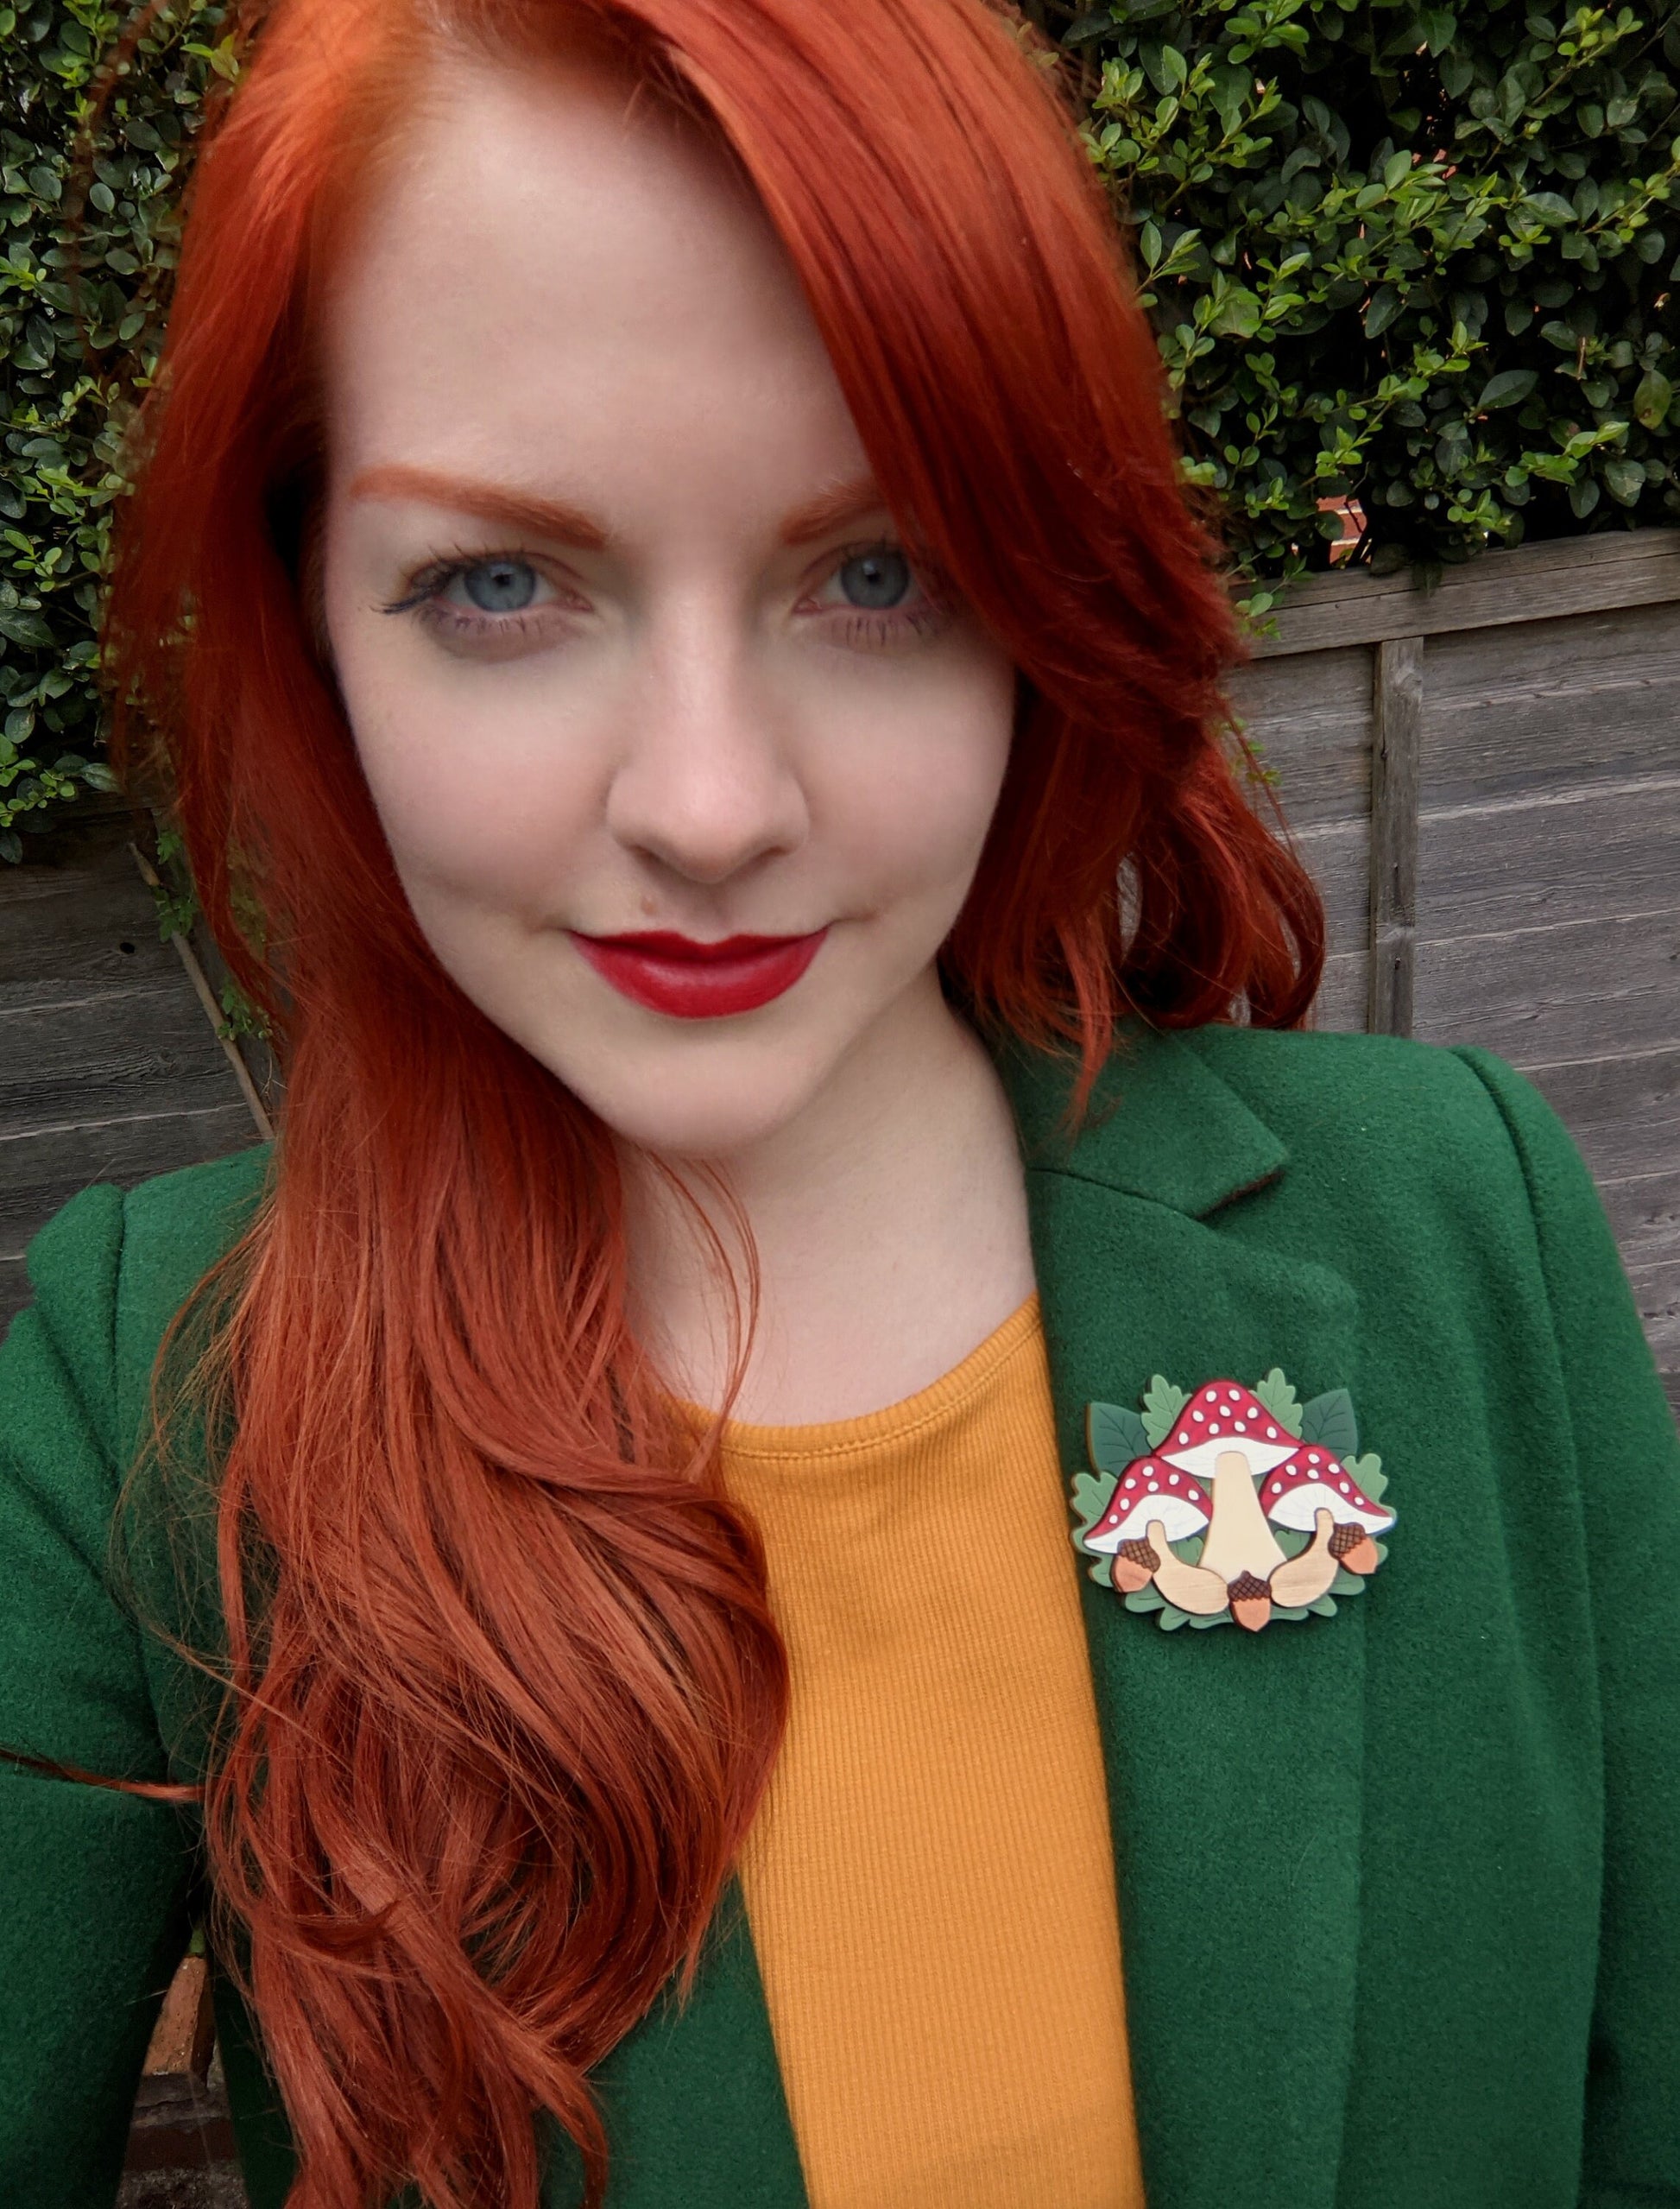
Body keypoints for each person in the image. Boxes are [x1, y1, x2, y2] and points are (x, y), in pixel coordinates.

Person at [2, 0, 1676, 2205]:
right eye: (498, 584)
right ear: (317, 618)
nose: (709, 806)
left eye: (874, 572)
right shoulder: (152, 1392)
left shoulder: (1465, 1231)